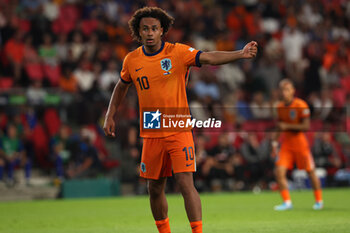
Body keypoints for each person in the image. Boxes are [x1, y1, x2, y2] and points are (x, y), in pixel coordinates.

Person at [103, 7, 257, 233]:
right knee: (154, 188)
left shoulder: (178, 53)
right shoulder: (132, 60)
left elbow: (209, 57)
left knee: (186, 183)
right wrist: (110, 114)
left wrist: (240, 54)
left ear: (162, 31)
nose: (149, 33)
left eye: (154, 28)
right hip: (152, 129)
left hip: (178, 126)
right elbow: (121, 86)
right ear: (138, 31)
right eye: (145, 29)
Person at [272, 79, 323, 211]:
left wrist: (286, 125)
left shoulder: (301, 105)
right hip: (286, 144)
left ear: (293, 90)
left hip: (300, 143)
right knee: (279, 172)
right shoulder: (279, 107)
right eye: (282, 90)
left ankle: (319, 201)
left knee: (310, 171)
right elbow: (279, 127)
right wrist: (274, 142)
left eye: (287, 89)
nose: (285, 92)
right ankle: (287, 202)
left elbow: (305, 126)